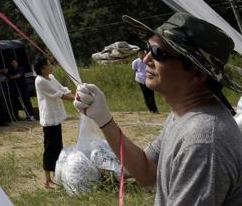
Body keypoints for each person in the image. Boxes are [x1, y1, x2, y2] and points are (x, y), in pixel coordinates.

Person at [74, 12, 242, 205]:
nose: (146, 60)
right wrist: (104, 120)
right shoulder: (183, 116)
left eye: (158, 53)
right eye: (148, 49)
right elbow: (147, 171)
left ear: (197, 73)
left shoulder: (202, 140)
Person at [33, 55, 74, 189]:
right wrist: (77, 99)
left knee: (58, 146)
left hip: (55, 117)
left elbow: (62, 89)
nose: (51, 66)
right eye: (48, 64)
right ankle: (47, 180)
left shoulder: (51, 78)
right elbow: (59, 95)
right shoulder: (40, 81)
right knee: (50, 148)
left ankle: (58, 175)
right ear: (42, 68)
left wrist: (77, 93)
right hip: (49, 119)